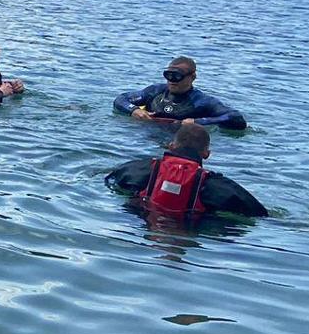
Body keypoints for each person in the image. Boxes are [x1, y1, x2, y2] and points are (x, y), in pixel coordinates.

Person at [105, 123, 268, 218]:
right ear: (206, 154)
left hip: (142, 221)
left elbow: (113, 177)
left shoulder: (141, 167)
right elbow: (258, 213)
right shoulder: (214, 185)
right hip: (188, 227)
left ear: (171, 146)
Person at [114, 56, 246, 130]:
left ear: (192, 77)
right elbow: (121, 99)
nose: (172, 81)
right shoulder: (155, 91)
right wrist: (135, 110)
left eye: (177, 76)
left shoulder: (201, 102)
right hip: (149, 138)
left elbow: (236, 118)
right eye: (168, 75)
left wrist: (199, 122)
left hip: (180, 140)